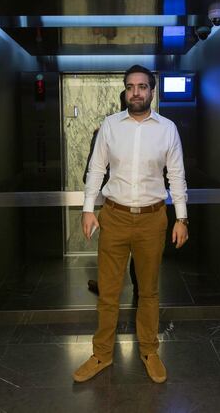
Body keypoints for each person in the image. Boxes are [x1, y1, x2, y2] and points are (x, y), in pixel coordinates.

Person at [73, 65, 189, 385]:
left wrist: (181, 218)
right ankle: (102, 354)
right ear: (124, 91)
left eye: (142, 86)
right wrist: (87, 210)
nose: (135, 92)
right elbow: (97, 170)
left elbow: (176, 176)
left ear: (152, 91)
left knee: (149, 291)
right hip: (115, 216)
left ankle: (150, 350)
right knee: (109, 292)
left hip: (153, 219)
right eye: (130, 86)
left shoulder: (167, 129)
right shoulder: (111, 126)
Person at [84, 90, 139, 299]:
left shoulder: (105, 130)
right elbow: (92, 170)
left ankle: (120, 288)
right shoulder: (106, 130)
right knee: (119, 251)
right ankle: (137, 290)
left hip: (114, 203)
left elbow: (89, 171)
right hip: (118, 204)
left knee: (115, 252)